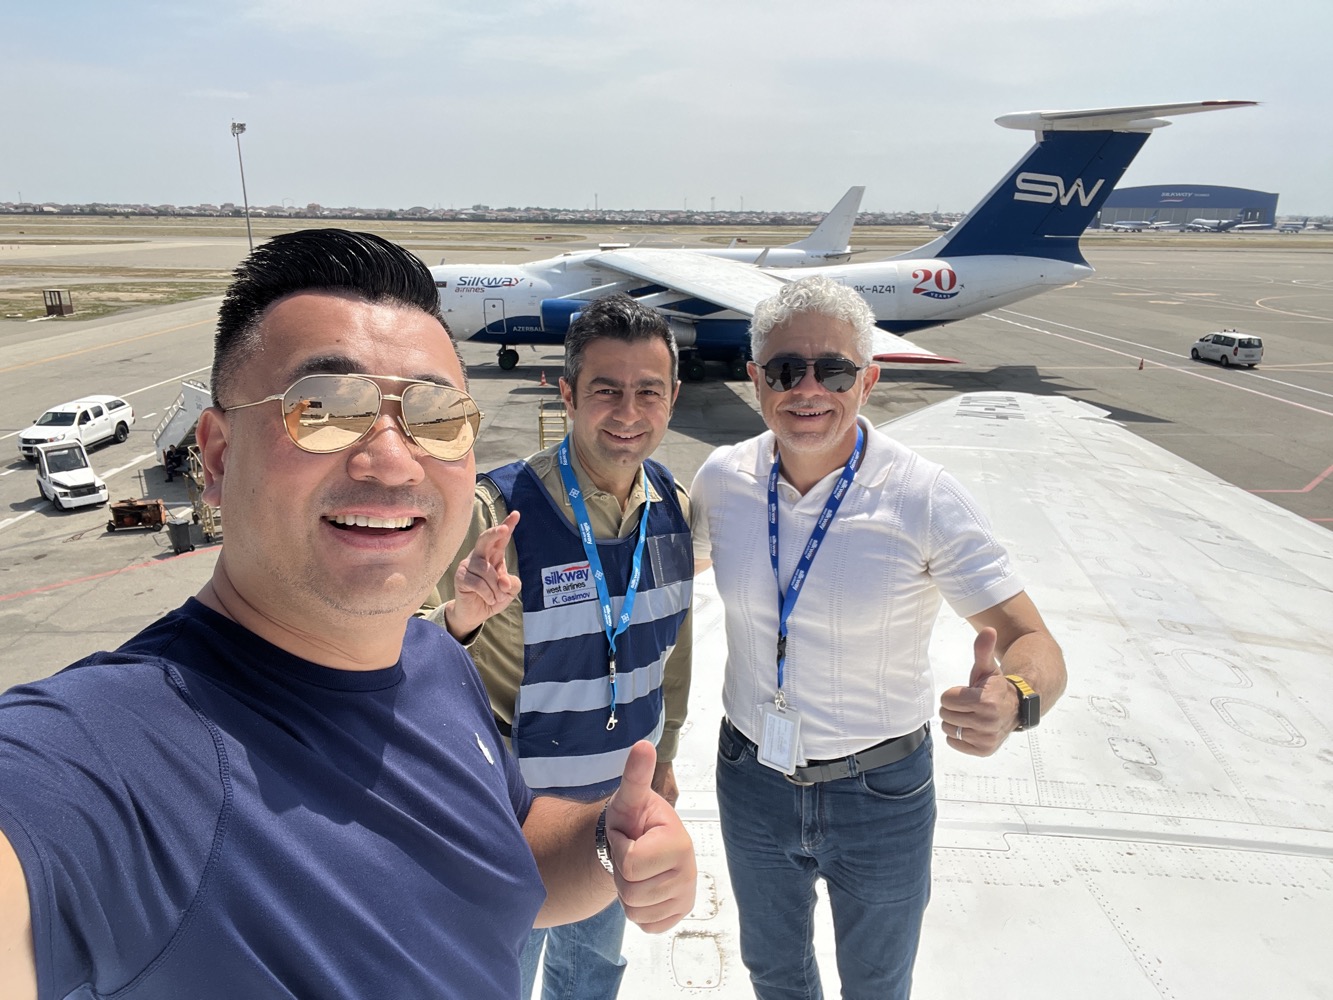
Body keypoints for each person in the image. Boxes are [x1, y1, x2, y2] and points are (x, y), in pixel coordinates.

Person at [0, 230, 696, 1000]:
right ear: (220, 457)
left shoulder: (434, 665)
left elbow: (509, 852)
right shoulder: (112, 755)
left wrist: (605, 842)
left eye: (434, 415)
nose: (392, 460)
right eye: (325, 408)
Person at [690, 275, 1066, 1000]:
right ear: (753, 379)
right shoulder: (723, 480)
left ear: (868, 380)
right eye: (783, 369)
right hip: (751, 778)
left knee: (876, 984)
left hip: (880, 793)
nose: (807, 388)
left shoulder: (921, 496)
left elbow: (1032, 641)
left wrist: (1013, 698)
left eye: (831, 369)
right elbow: (662, 564)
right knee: (772, 972)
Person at [424, 293, 692, 999]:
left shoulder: (675, 508)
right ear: (567, 394)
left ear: (671, 399)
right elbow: (400, 655)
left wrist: (663, 762)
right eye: (606, 390)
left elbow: (673, 653)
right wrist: (463, 613)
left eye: (647, 392)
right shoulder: (497, 514)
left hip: (612, 811)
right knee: (496, 977)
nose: (628, 413)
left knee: (593, 974)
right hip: (513, 820)